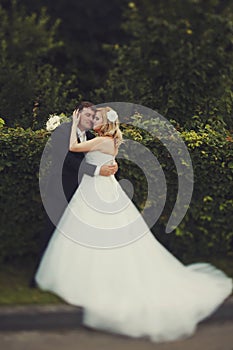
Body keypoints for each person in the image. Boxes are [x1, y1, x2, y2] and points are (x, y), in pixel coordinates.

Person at [35, 106, 232, 343]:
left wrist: (74, 123)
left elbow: (74, 148)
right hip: (98, 187)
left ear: (105, 123)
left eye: (97, 118)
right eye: (91, 116)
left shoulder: (102, 140)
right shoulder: (107, 140)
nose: (93, 120)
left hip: (97, 189)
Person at [30, 101, 118, 287]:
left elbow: (104, 155)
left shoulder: (93, 135)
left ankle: (72, 277)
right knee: (52, 232)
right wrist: (97, 171)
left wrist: (113, 166)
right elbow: (68, 161)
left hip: (84, 194)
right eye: (87, 115)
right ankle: (38, 278)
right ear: (76, 114)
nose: (90, 119)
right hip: (61, 189)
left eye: (93, 116)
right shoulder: (62, 132)